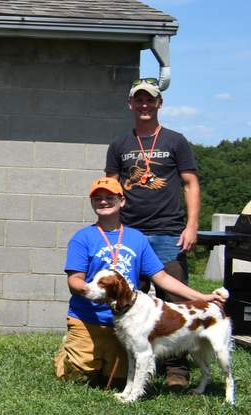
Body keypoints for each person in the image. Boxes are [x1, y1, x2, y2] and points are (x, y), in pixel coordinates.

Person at [54, 177, 222, 387]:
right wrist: (90, 291)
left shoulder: (136, 238)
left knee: (117, 382)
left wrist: (202, 297)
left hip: (125, 323)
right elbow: (74, 280)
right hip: (89, 320)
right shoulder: (83, 237)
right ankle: (69, 350)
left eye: (110, 197)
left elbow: (161, 278)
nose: (103, 202)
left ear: (122, 201)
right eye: (98, 198)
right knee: (76, 378)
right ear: (92, 203)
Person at [104, 78, 201, 388]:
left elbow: (190, 183)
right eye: (139, 100)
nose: (144, 105)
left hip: (168, 232)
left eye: (150, 100)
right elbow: (110, 188)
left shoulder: (176, 141)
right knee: (127, 300)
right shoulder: (120, 144)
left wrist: (192, 225)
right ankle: (128, 366)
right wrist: (111, 231)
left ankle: (177, 369)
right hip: (130, 233)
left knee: (174, 300)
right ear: (131, 104)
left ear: (159, 104)